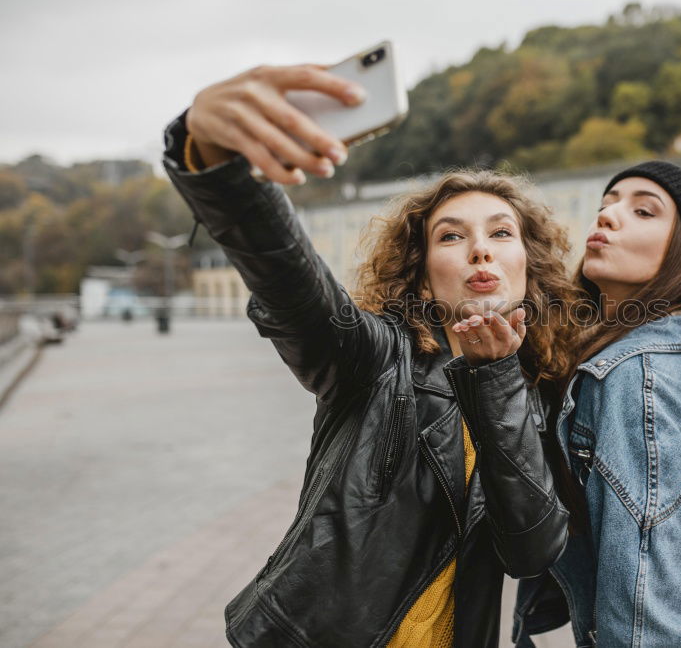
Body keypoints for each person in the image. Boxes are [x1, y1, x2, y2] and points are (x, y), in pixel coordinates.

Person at [161, 63, 578, 647]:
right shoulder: (377, 358)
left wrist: (497, 378)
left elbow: (530, 549)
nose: (480, 248)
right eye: (452, 236)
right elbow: (293, 286)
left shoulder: (537, 391)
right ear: (425, 281)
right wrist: (213, 161)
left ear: (527, 268)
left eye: (501, 233)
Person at [469, 162, 681, 647]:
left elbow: (647, 602)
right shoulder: (613, 352)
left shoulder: (638, 373)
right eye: (607, 203)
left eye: (643, 211)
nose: (610, 216)